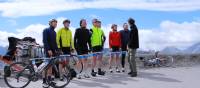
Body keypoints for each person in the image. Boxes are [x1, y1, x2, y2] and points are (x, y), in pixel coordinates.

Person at [43, 19, 58, 87]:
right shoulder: (46, 30)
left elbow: (55, 43)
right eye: (54, 23)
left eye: (56, 23)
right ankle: (44, 82)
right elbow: (45, 41)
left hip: (53, 51)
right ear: (50, 23)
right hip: (47, 51)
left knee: (51, 66)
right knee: (46, 67)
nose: (55, 24)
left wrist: (57, 50)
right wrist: (48, 49)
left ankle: (49, 80)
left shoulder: (54, 32)